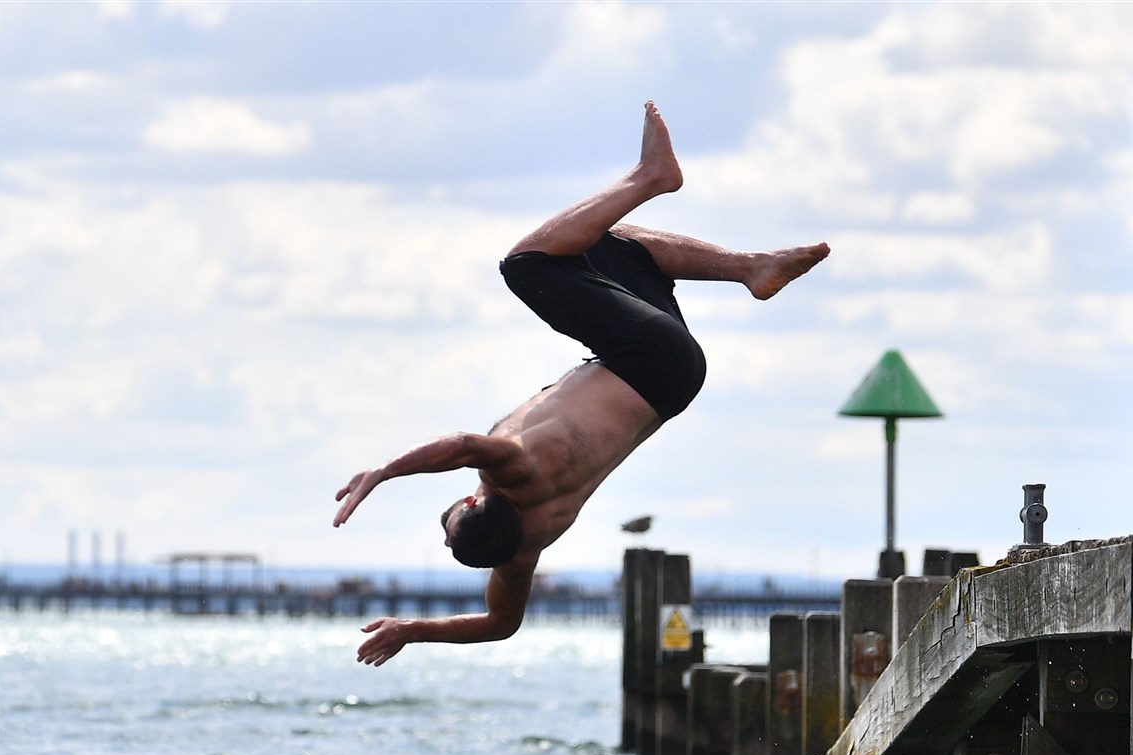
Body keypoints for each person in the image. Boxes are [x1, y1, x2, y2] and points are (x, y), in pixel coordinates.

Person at [333, 101, 828, 665]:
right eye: (450, 529)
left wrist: (415, 629)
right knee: (527, 264)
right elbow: (462, 445)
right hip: (644, 359)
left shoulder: (527, 546)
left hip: (674, 384)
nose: (444, 532)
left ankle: (751, 267)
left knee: (605, 241)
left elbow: (500, 624)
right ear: (472, 500)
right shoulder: (508, 471)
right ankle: (651, 179)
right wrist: (383, 472)